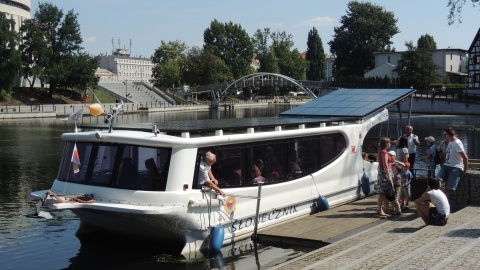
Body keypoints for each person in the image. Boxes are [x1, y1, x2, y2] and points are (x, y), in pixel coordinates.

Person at [437, 127, 468, 198]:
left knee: (448, 189)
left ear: (448, 135)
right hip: (446, 165)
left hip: (455, 167)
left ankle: (443, 204)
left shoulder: (457, 143)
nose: (445, 137)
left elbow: (465, 157)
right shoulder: (450, 142)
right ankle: (440, 197)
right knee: (437, 181)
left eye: (445, 135)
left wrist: (465, 170)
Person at [376, 137, 394, 216]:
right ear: (386, 144)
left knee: (384, 191)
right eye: (389, 143)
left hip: (382, 172)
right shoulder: (384, 152)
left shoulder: (381, 151)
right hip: (384, 173)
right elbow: (385, 165)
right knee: (382, 192)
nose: (390, 144)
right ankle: (379, 209)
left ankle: (386, 208)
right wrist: (389, 176)